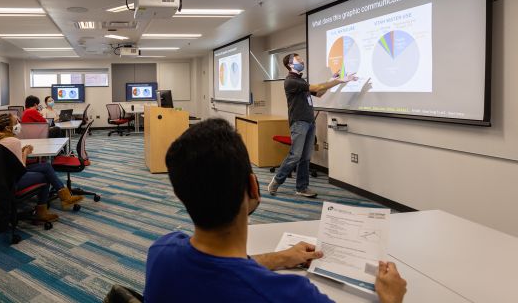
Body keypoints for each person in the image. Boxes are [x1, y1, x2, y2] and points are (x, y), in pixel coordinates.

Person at [144, 119, 407, 303]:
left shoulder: (161, 252)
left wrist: (279, 258)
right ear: (253, 187)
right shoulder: (289, 295)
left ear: (180, 195)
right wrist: (391, 299)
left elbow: (221, 267)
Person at [268, 53, 357, 198]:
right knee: (295, 156)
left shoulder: (300, 80)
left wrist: (331, 80)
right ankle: (277, 181)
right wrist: (340, 81)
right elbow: (316, 87)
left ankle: (302, 188)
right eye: (298, 59)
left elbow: (319, 92)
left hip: (309, 122)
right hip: (299, 123)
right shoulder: (290, 81)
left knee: (305, 158)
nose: (302, 60)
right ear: (290, 64)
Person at [0, 113, 84, 221]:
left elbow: (7, 158)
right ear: (7, 127)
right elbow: (21, 168)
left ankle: (65, 196)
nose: (19, 124)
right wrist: (25, 152)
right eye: (16, 122)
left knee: (46, 167)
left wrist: (20, 151)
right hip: (12, 179)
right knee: (45, 176)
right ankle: (42, 211)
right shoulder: (13, 141)